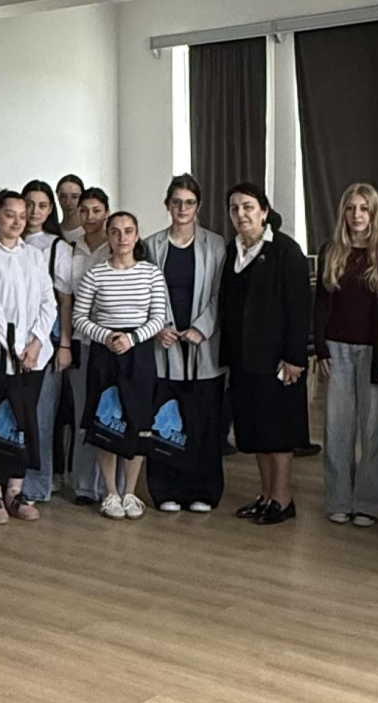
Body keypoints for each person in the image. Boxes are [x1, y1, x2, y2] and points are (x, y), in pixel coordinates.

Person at [314, 182, 378, 526]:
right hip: (336, 350)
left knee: (372, 431)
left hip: (375, 351)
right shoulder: (330, 251)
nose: (356, 215)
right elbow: (321, 303)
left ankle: (368, 503)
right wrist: (320, 347)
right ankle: (339, 499)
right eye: (351, 208)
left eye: (363, 208)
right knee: (337, 429)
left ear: (373, 214)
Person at [219, 183, 311, 526]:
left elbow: (299, 308)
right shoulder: (232, 250)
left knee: (279, 431)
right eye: (234, 208)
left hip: (278, 360)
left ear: (264, 211)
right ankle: (266, 494)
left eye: (248, 207)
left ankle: (282, 499)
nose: (241, 214)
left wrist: (295, 356)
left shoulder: (286, 250)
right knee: (255, 429)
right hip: (244, 359)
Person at [72, 211, 167, 520]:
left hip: (139, 353)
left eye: (128, 231)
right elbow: (79, 317)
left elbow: (159, 317)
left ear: (137, 235)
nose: (122, 237)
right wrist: (106, 336)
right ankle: (110, 492)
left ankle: (130, 492)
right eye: (115, 231)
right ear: (109, 236)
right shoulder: (95, 274)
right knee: (107, 420)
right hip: (105, 353)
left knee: (138, 421)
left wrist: (132, 338)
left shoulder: (151, 273)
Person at [143, 174, 228, 513]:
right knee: (165, 421)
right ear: (167, 205)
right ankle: (166, 490)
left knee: (203, 422)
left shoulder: (216, 245)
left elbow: (222, 294)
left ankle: (203, 490)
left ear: (198, 207)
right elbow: (145, 293)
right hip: (163, 346)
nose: (182, 208)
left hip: (202, 348)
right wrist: (158, 327)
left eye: (189, 203)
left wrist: (200, 328)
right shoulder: (151, 246)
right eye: (176, 202)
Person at [0, 190, 56, 524]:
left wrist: (35, 344)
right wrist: (14, 347)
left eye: (22, 216)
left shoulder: (34, 255)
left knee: (24, 420)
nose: (17, 221)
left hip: (33, 357)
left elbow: (48, 302)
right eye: (10, 215)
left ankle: (16, 491)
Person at [60, 186, 116, 504]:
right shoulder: (72, 249)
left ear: (106, 212)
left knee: (111, 412)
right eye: (85, 210)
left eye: (96, 210)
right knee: (83, 413)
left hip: (113, 343)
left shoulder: (117, 246)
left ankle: (113, 487)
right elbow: (66, 301)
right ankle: (84, 485)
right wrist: (66, 342)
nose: (90, 216)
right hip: (82, 341)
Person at [20, 179, 74, 504]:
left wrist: (64, 343)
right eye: (29, 204)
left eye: (41, 205)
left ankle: (37, 484)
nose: (34, 211)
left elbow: (64, 300)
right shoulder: (8, 243)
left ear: (50, 209)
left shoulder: (58, 247)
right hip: (13, 341)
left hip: (48, 341)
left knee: (42, 416)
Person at [56, 174, 86, 243]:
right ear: (58, 197)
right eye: (63, 197)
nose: (68, 202)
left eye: (74, 197)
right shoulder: (53, 232)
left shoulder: (89, 231)